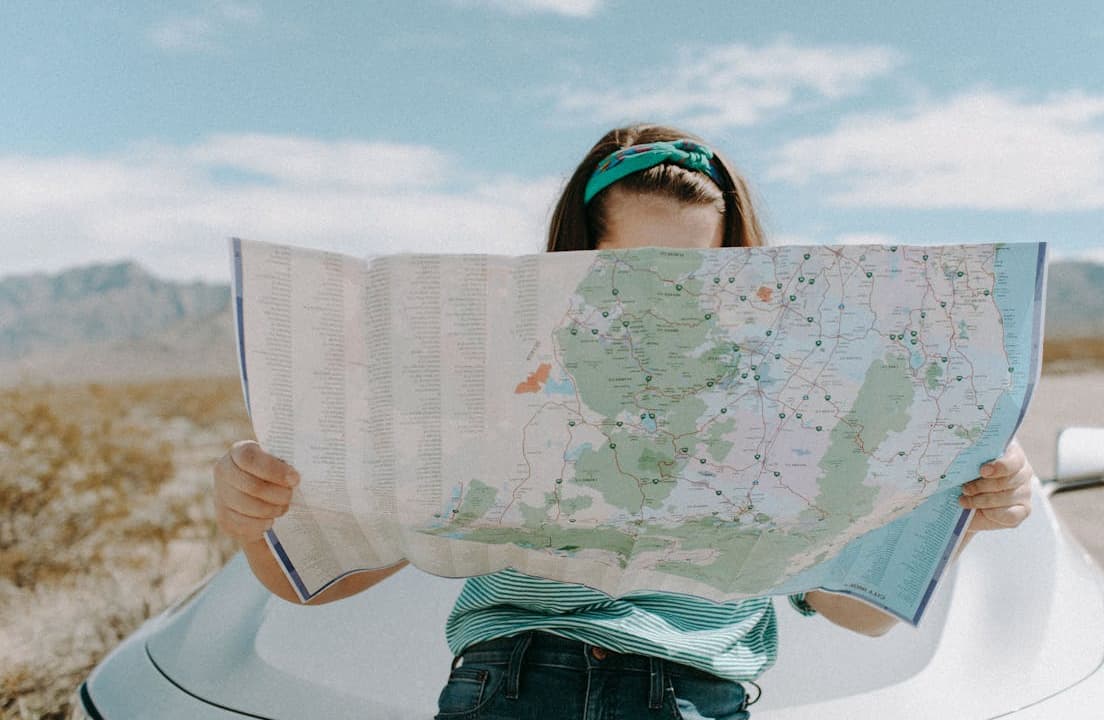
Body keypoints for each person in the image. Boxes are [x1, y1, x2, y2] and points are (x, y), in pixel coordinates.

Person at [212, 123, 1035, 720]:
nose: (662, 297)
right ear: (575, 263)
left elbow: (862, 612)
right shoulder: (493, 372)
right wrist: (257, 518)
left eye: (692, 273)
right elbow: (309, 582)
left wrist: (961, 508)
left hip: (694, 698)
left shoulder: (796, 396)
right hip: (511, 685)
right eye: (631, 270)